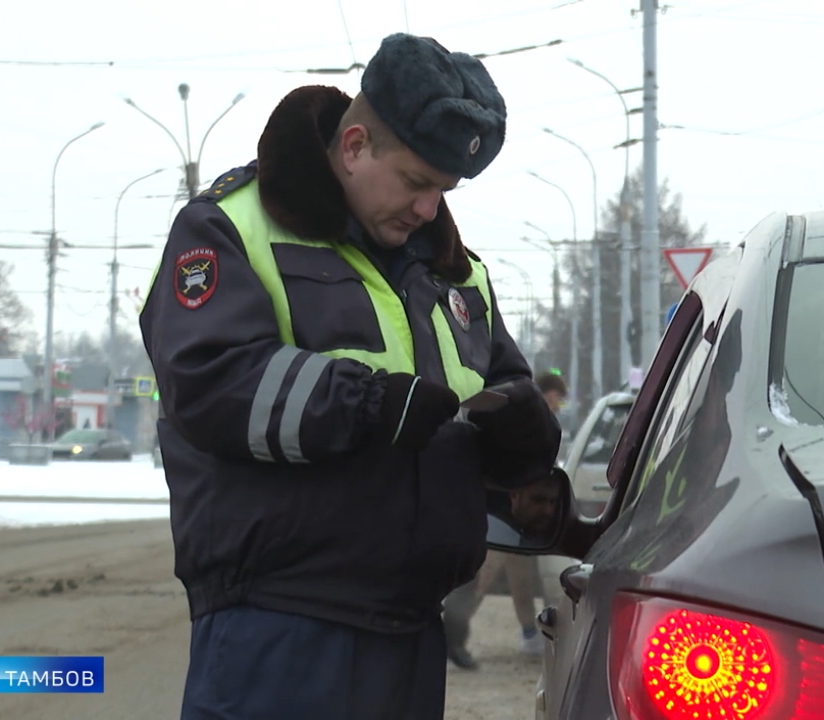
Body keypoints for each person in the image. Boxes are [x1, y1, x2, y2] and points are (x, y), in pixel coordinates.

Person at [140, 33, 561, 720]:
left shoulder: (455, 273)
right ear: (355, 146)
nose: (429, 209)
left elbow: (504, 389)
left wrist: (524, 433)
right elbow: (209, 380)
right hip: (277, 630)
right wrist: (368, 404)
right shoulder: (229, 227)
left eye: (443, 190)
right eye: (416, 182)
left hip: (409, 632)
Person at [442, 372, 568, 669]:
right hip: (505, 515)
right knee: (482, 576)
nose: (558, 405)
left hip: (521, 517)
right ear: (547, 393)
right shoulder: (528, 424)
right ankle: (453, 635)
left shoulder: (539, 426)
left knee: (520, 580)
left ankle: (528, 634)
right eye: (557, 398)